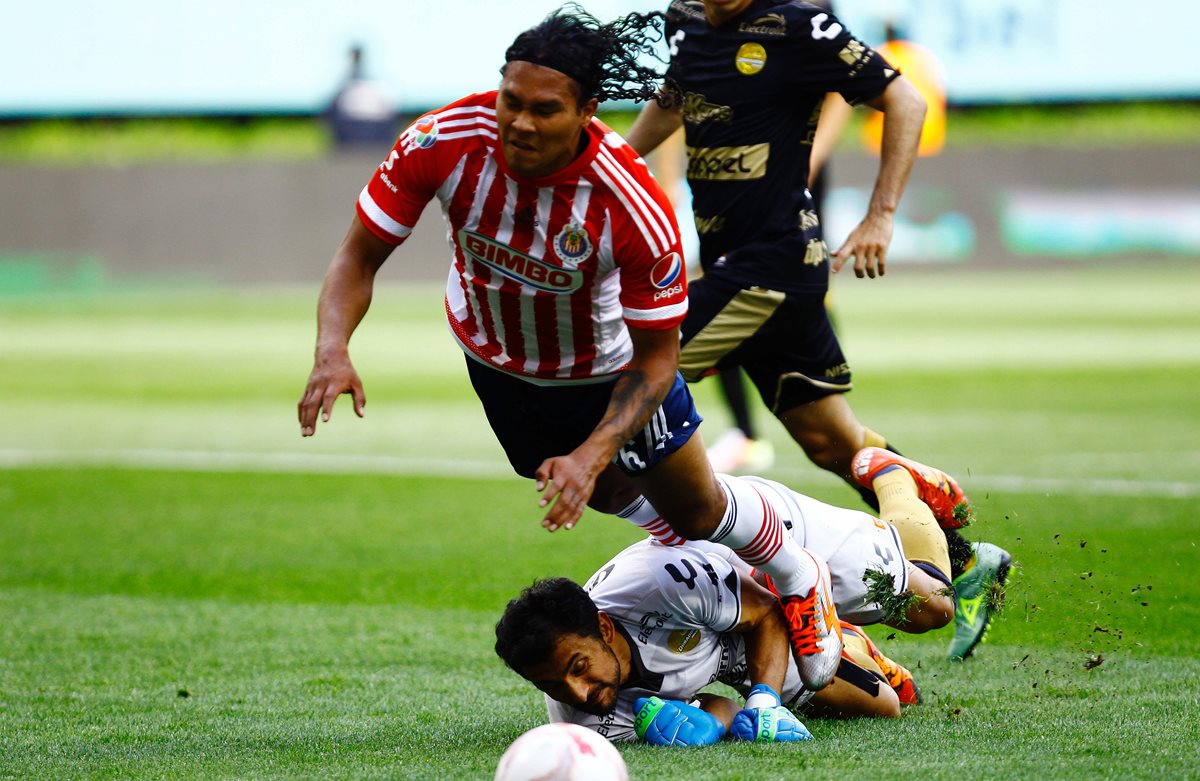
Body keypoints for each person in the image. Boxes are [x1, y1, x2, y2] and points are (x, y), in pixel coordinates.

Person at [297, 5, 842, 690]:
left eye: (545, 109)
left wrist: (592, 448)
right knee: (601, 489)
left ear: (587, 110)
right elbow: (359, 254)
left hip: (611, 371)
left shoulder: (629, 200)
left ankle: (797, 570)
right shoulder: (442, 139)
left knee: (696, 506)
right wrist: (332, 349)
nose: (520, 122)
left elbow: (657, 357)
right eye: (510, 101)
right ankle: (706, 555)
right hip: (499, 364)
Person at [622, 0, 1009, 658]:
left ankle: (715, 550)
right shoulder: (684, 19)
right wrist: (615, 163)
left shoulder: (798, 23)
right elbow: (676, 92)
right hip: (744, 268)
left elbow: (906, 100)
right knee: (834, 443)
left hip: (772, 266)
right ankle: (970, 561)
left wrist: (881, 214)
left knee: (637, 381)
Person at [493, 449, 981, 743]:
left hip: (767, 550)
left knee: (933, 608)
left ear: (602, 628)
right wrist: (718, 723)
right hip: (729, 636)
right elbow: (713, 709)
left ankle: (892, 479)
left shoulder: (664, 580)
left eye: (578, 668)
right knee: (886, 704)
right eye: (555, 686)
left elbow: (766, 614)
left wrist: (765, 701)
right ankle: (849, 640)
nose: (579, 693)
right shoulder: (581, 718)